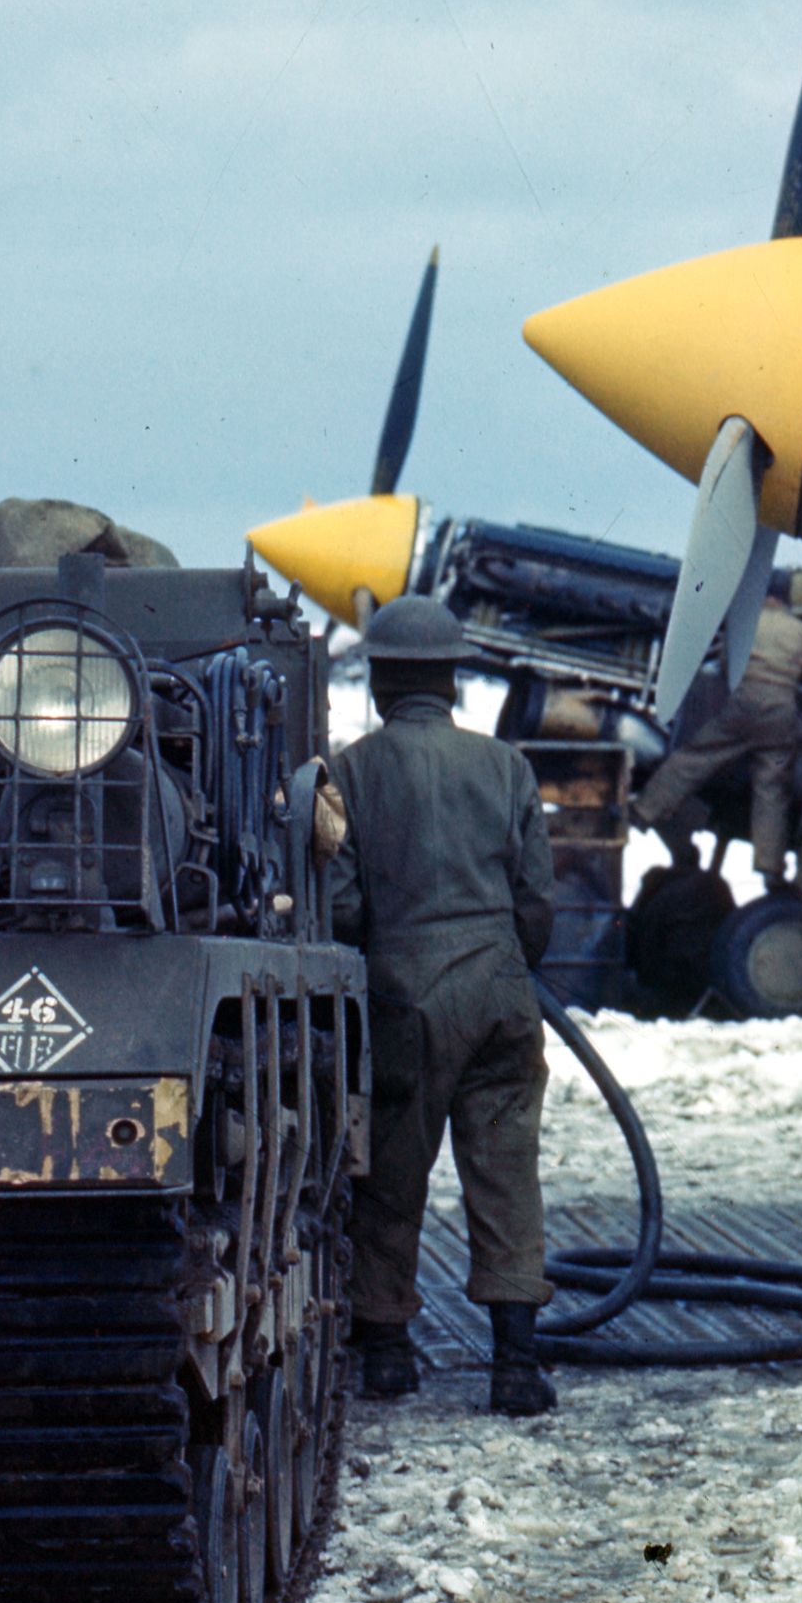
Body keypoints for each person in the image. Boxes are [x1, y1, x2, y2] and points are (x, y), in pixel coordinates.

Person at [319, 593, 560, 1415]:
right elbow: (536, 903)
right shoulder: (506, 766)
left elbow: (343, 908)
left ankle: (386, 1352)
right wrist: (503, 962)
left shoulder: (351, 770)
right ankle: (516, 1367)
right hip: (500, 990)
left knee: (391, 1174)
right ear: (452, 680)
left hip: (404, 999)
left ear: (383, 681)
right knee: (506, 1172)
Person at [631, 564, 802, 884]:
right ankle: (768, 863)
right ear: (786, 598)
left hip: (741, 704)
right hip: (780, 712)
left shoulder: (745, 623)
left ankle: (645, 811)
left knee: (695, 758)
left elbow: (728, 665)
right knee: (771, 787)